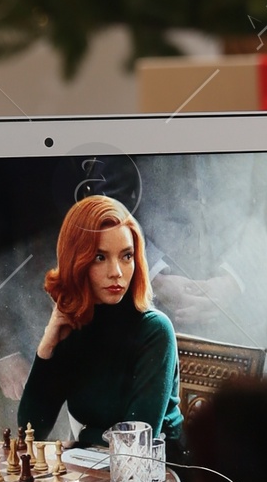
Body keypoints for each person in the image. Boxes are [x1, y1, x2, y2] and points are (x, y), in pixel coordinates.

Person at [17, 194, 183, 454]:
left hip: (159, 474)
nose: (116, 271)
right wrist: (48, 345)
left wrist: (85, 436)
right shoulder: (73, 327)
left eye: (126, 256)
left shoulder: (155, 330)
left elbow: (134, 441)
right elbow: (30, 430)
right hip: (95, 466)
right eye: (100, 257)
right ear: (76, 261)